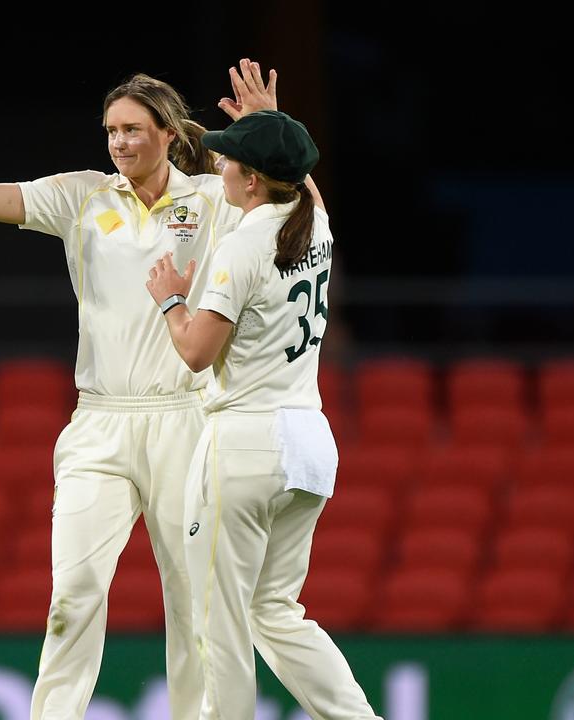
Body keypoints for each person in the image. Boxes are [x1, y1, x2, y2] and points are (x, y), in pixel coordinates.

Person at [0, 57, 273, 719]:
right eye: (110, 131)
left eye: (133, 128)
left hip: (187, 419)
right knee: (72, 594)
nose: (120, 142)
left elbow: (288, 207)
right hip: (99, 423)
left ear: (167, 133)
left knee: (195, 604)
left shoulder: (213, 199)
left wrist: (265, 132)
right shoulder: (83, 196)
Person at [144, 95, 381, 717]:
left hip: (246, 445)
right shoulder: (313, 221)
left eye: (231, 159)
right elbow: (307, 189)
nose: (218, 163)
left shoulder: (244, 245)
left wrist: (171, 300)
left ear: (251, 180)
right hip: (307, 441)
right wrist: (276, 132)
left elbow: (197, 352)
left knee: (216, 618)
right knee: (274, 611)